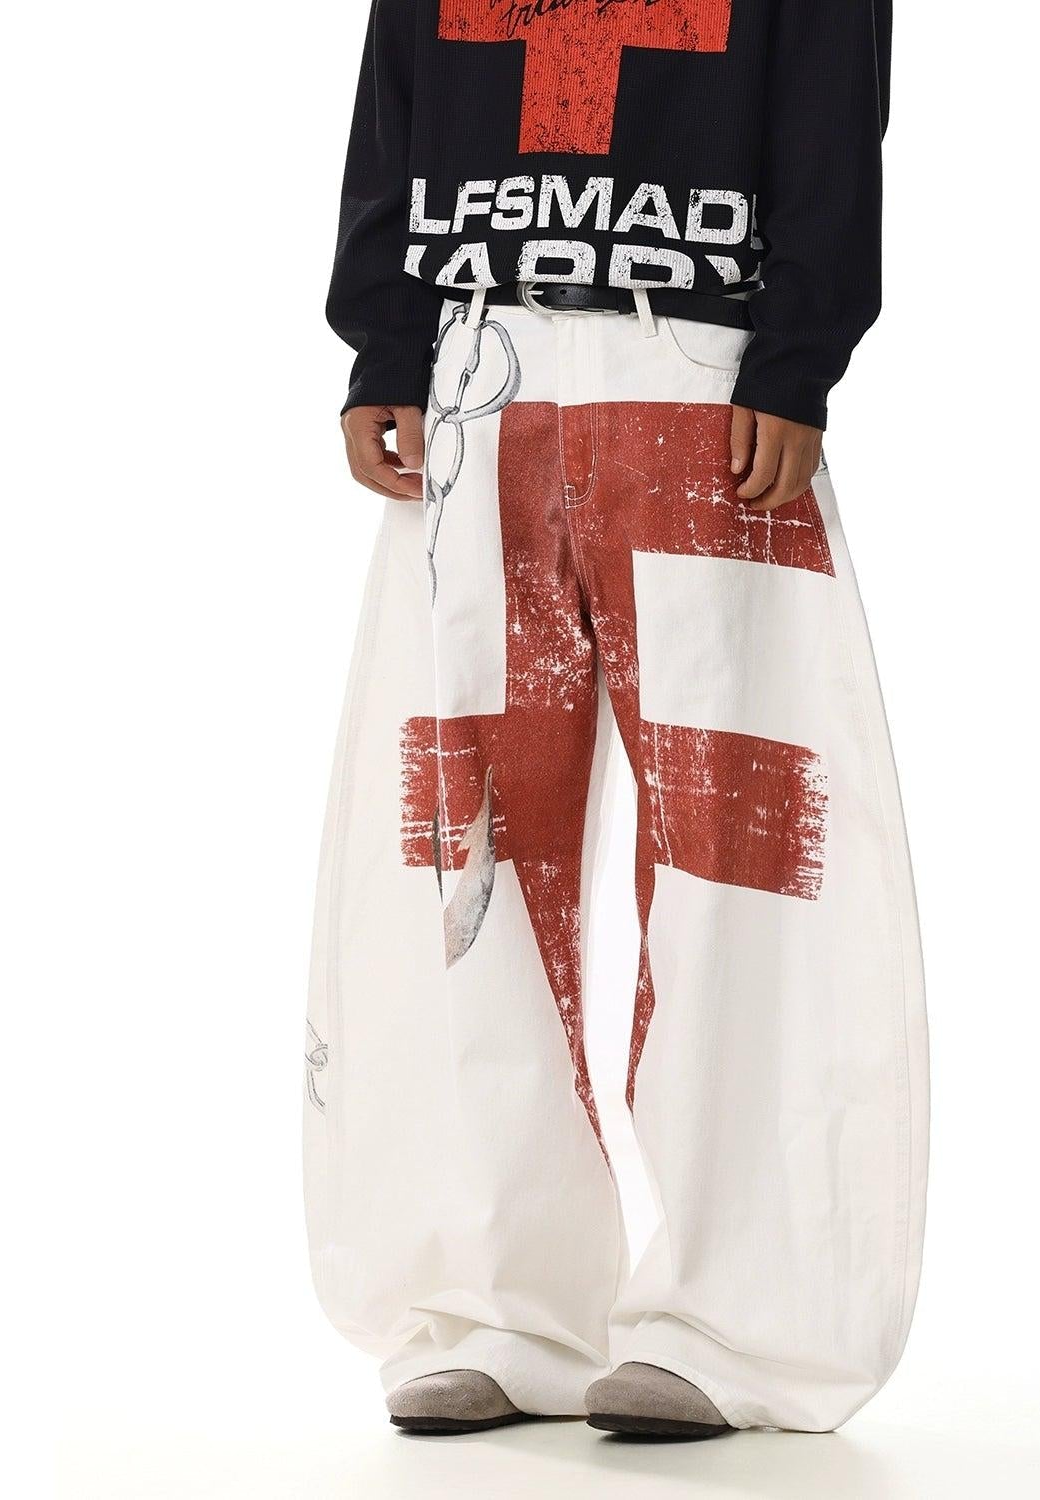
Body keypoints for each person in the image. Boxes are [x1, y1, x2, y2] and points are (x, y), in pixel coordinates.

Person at [305, 0, 927, 1440]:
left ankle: (740, 1319)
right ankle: (494, 1302)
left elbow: (832, 97)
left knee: (739, 859)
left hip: (702, 370)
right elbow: (398, 81)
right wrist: (385, 338)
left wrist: (797, 353)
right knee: (467, 850)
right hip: (477, 368)